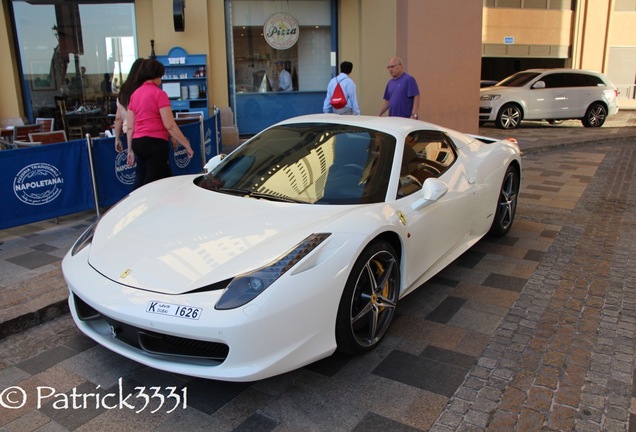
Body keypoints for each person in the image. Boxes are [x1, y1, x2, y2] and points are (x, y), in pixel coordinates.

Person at [126, 58, 194, 189]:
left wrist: (130, 150)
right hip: (155, 144)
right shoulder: (159, 94)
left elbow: (130, 126)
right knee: (151, 185)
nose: (161, 79)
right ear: (156, 75)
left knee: (161, 176)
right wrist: (186, 145)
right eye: (161, 76)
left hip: (138, 143)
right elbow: (169, 124)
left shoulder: (134, 95)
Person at [114, 58, 145, 163]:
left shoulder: (123, 92)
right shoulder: (141, 91)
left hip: (128, 133)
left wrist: (117, 138)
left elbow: (118, 118)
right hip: (142, 132)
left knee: (141, 170)